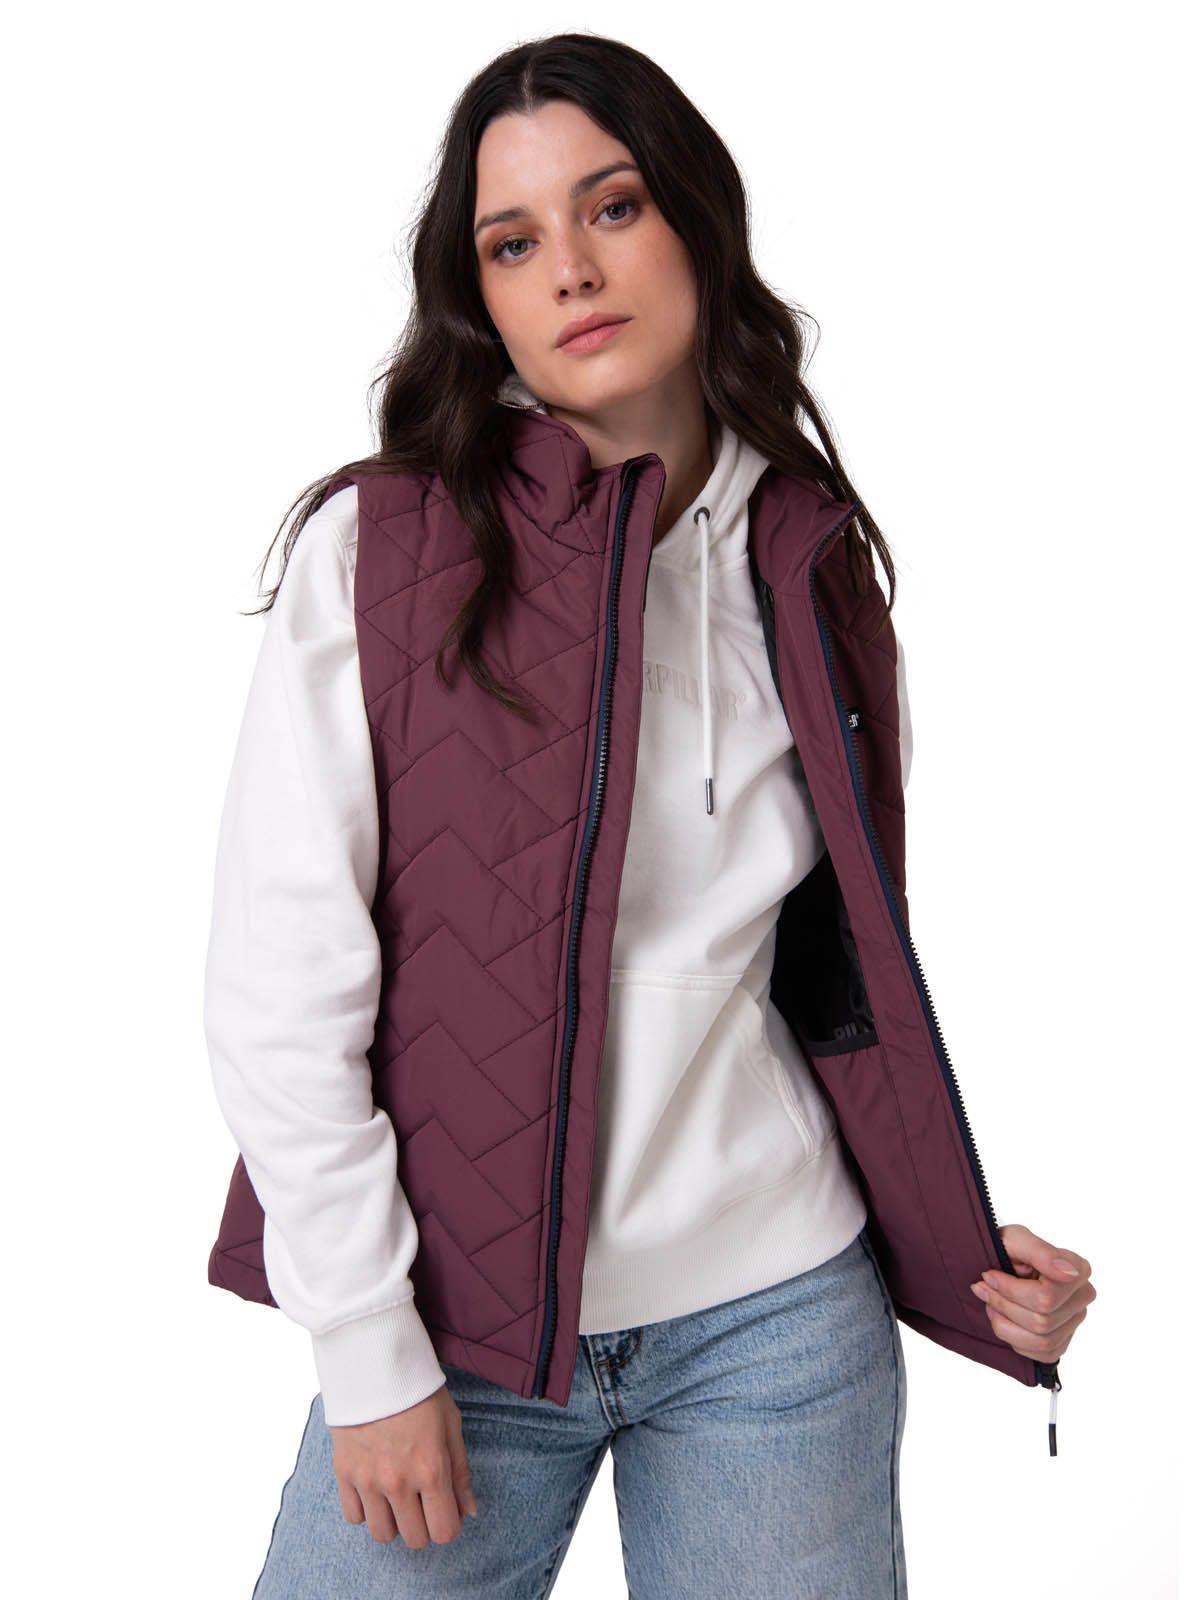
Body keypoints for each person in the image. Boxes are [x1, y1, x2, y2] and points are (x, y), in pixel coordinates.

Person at [202, 32, 1096, 1600]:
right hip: (455, 1332)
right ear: (478, 296)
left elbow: (825, 974)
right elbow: (281, 993)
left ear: (695, 219)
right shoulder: (380, 555)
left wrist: (963, 1243)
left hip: (781, 1326)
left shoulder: (809, 563)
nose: (570, 269)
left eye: (611, 207)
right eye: (512, 242)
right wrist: (369, 1349)